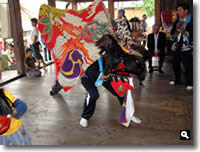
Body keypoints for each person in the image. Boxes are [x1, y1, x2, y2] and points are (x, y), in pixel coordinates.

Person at [169, 3, 193, 90]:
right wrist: (175, 33)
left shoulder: (192, 21)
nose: (178, 12)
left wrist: (185, 32)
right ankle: (177, 79)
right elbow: (172, 32)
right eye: (177, 10)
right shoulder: (177, 21)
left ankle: (190, 82)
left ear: (186, 11)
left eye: (180, 10)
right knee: (175, 63)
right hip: (177, 44)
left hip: (186, 45)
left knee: (187, 65)